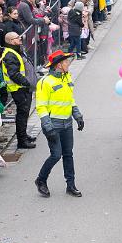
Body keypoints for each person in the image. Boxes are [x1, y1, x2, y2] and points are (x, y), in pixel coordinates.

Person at [35, 51, 84, 198]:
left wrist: (77, 115)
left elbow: (70, 100)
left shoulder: (67, 77)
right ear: (58, 65)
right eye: (66, 62)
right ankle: (41, 180)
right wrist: (47, 126)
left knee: (68, 154)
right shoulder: (45, 82)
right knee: (56, 155)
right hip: (53, 125)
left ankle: (71, 185)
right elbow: (41, 106)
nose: (68, 63)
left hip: (67, 124)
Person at [1, 32, 36, 149]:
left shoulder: (16, 50)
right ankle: (22, 141)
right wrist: (26, 83)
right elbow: (13, 74)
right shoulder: (10, 54)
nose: (20, 38)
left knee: (24, 113)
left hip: (23, 88)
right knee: (22, 114)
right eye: (17, 37)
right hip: (19, 89)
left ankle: (24, 135)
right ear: (11, 41)